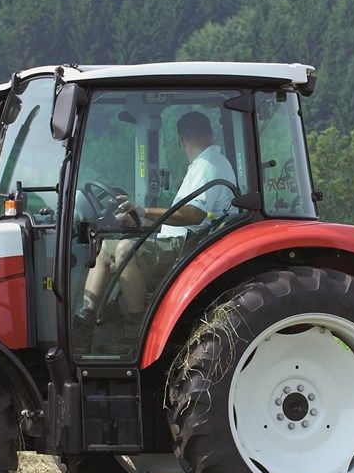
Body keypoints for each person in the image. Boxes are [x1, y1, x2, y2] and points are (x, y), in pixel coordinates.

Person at [81, 111, 238, 321]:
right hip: (181, 240)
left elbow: (193, 215)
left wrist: (143, 211)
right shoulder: (207, 164)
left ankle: (135, 325)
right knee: (104, 250)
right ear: (210, 134)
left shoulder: (207, 166)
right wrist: (137, 220)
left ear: (182, 141)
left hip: (189, 247)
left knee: (125, 249)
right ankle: (86, 318)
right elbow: (177, 218)